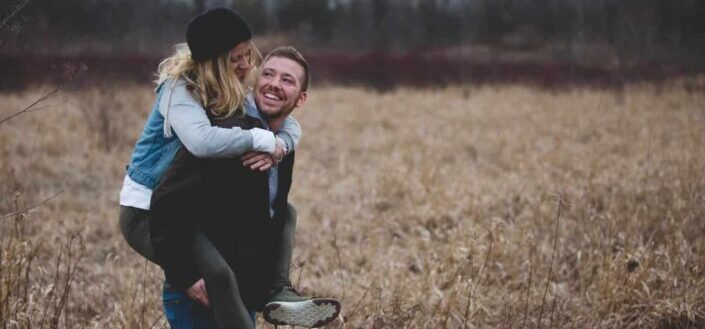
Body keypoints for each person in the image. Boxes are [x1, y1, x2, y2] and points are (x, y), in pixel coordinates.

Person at [118, 8, 306, 329]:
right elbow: (202, 141)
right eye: (236, 58)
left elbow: (280, 120)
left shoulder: (226, 88)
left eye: (248, 54)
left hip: (180, 206)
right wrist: (259, 139)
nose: (247, 64)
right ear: (215, 61)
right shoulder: (180, 89)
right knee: (216, 274)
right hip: (147, 208)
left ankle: (276, 291)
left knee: (284, 212)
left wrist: (280, 147)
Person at [150, 47, 341, 328]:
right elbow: (166, 201)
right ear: (255, 82)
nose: (275, 83)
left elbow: (260, 220)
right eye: (268, 74)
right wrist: (185, 276)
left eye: (287, 80)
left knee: (286, 211)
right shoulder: (229, 133)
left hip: (238, 292)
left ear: (301, 99)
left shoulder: (281, 143)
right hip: (198, 293)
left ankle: (278, 291)